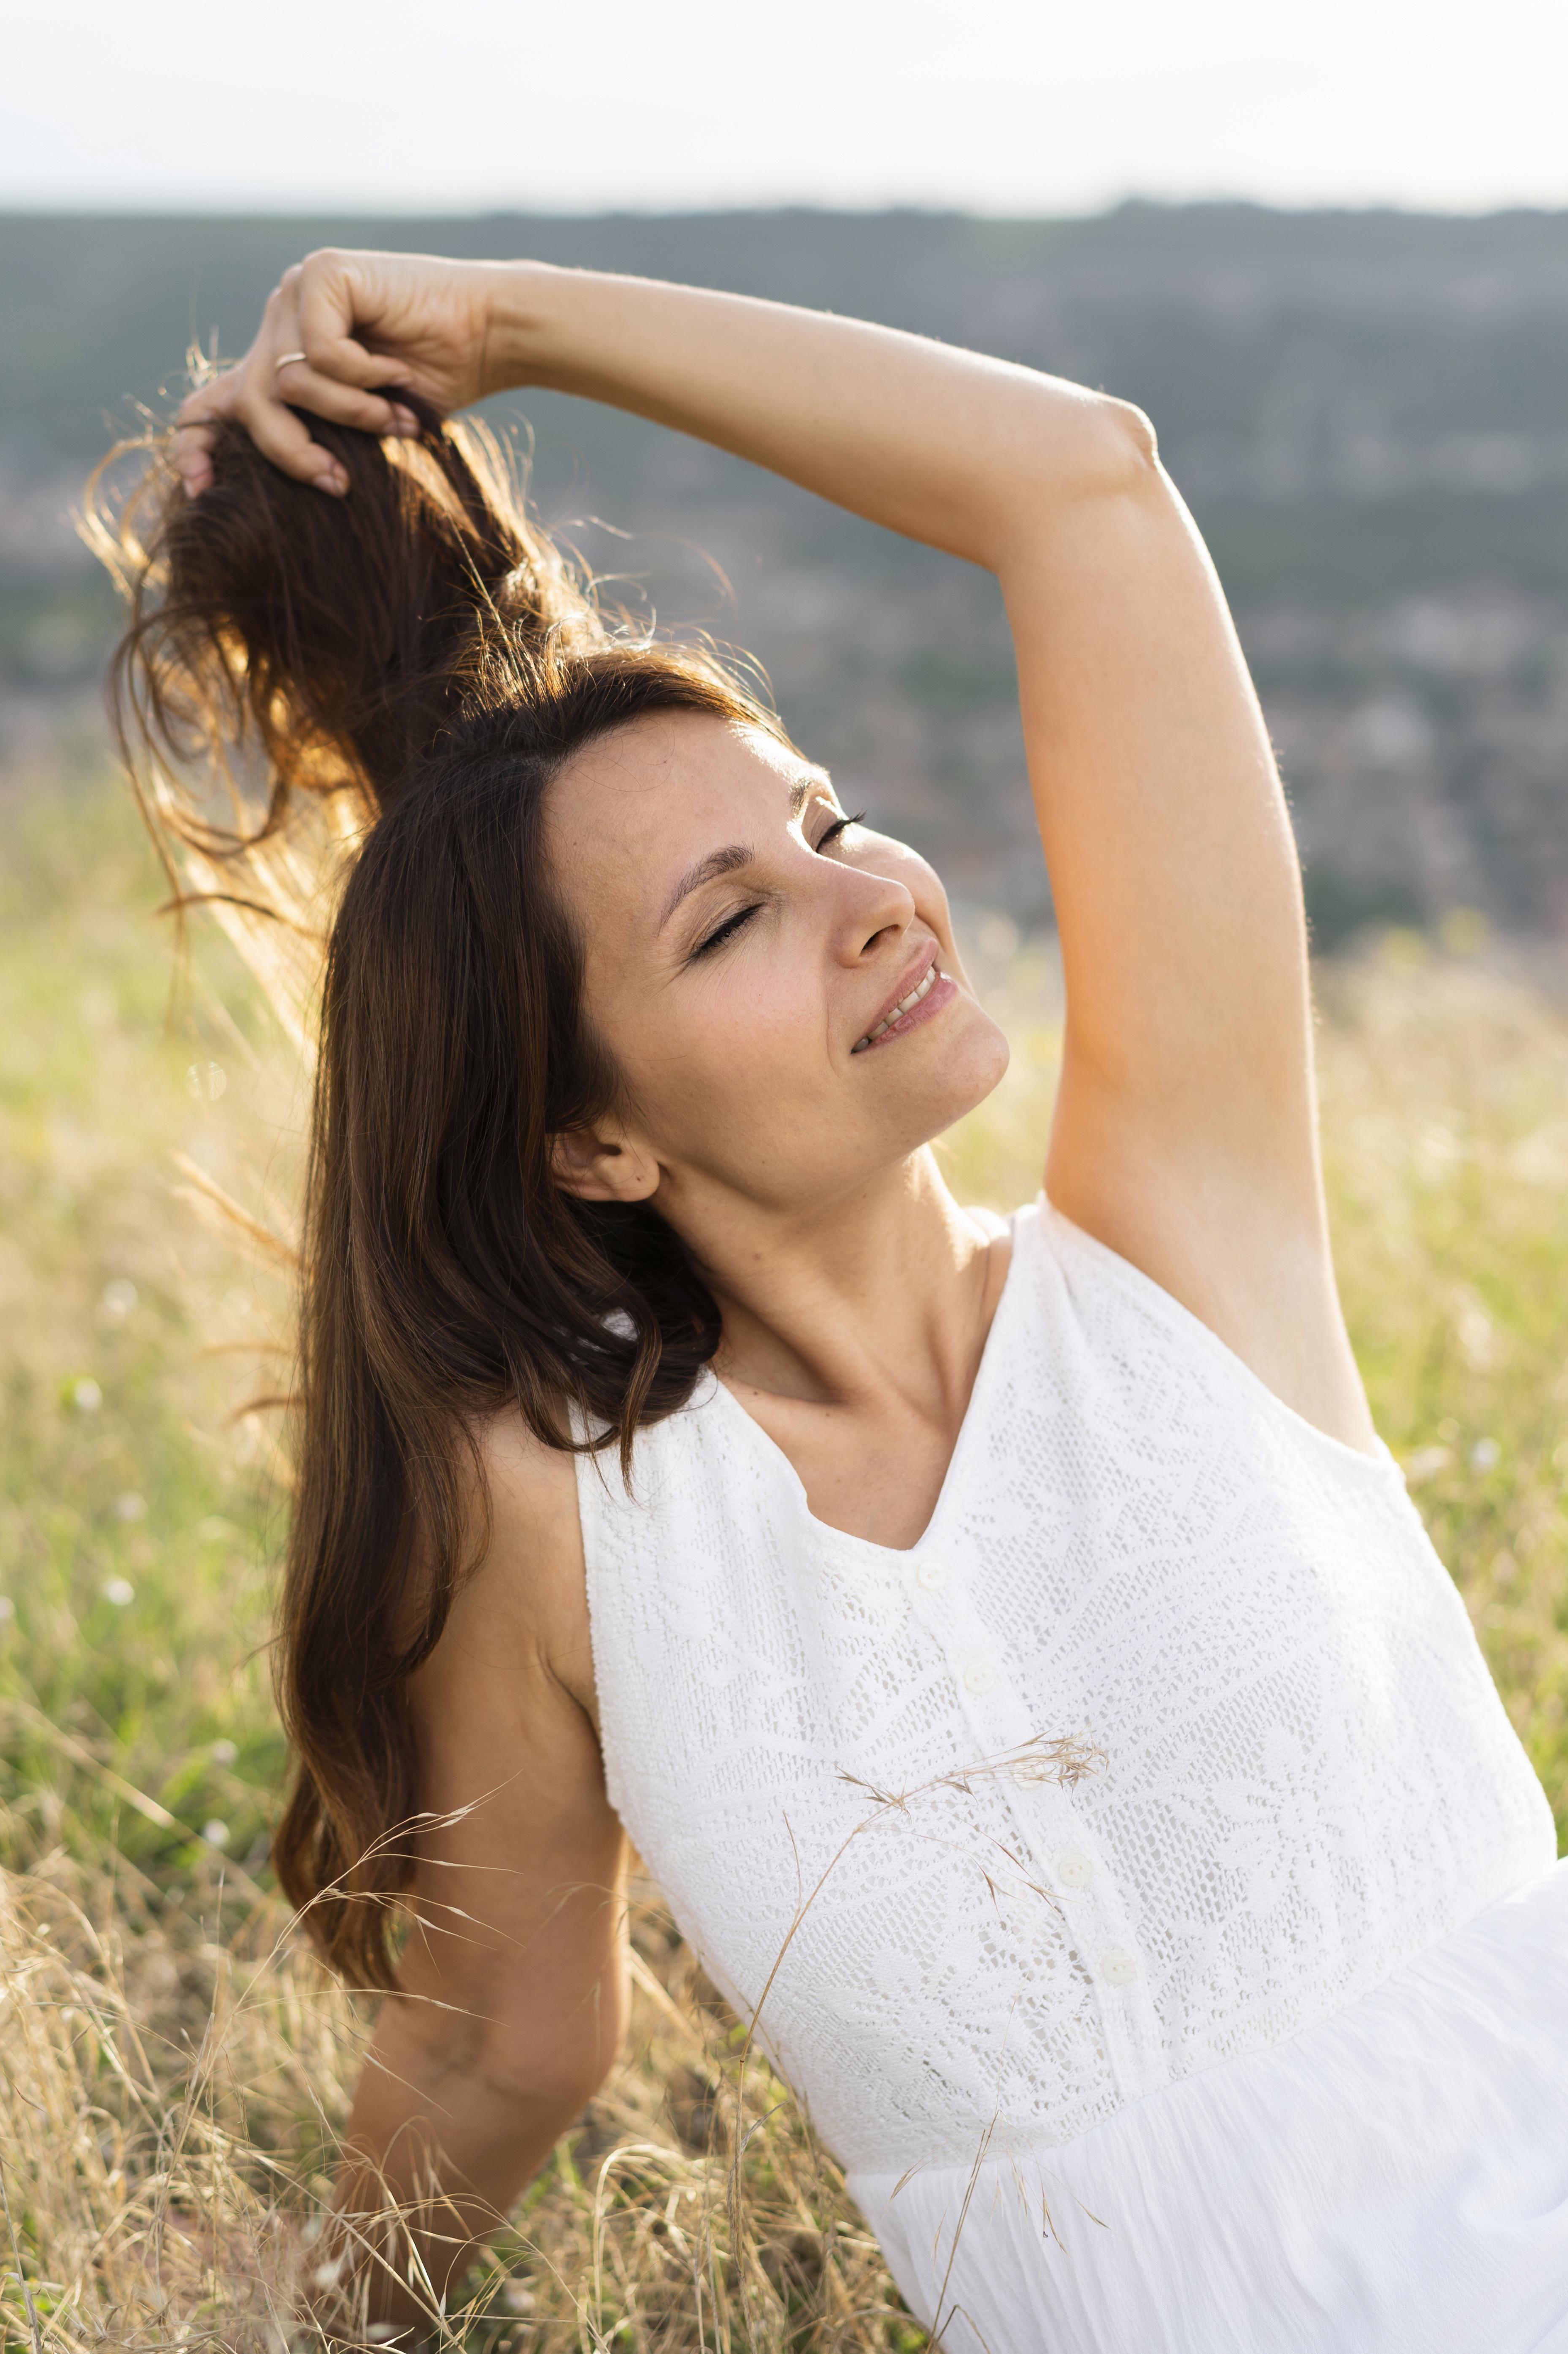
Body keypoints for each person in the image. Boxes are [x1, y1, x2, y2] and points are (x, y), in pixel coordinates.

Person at [105, 248, 1565, 2351]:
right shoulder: (560, 1514)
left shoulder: (1181, 1253)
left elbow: (1081, 483)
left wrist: (512, 328)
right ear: (587, 1141)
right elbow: (496, 2044)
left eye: (827, 819)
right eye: (733, 923)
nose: (874, 897)